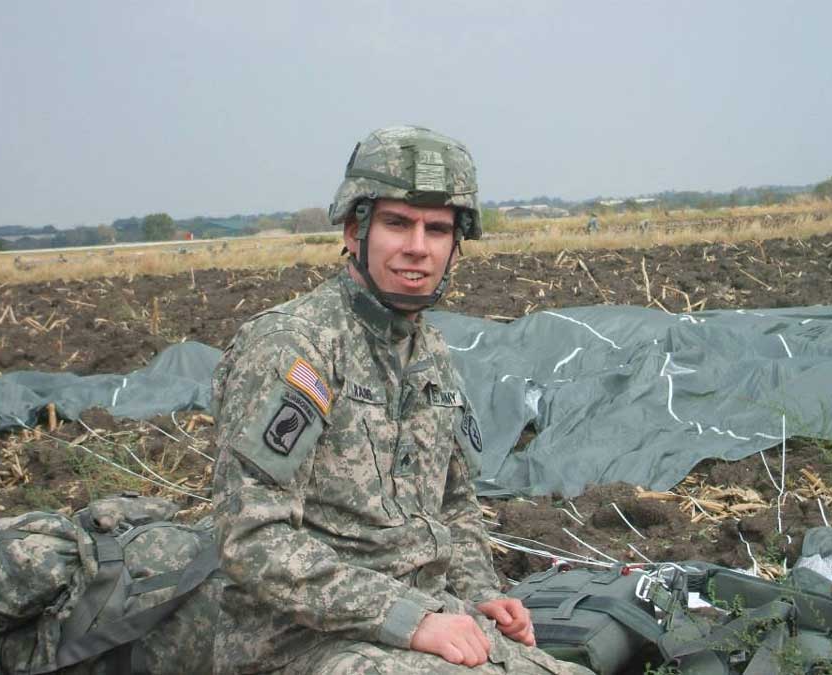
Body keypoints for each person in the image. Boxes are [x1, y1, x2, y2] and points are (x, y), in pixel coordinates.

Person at [210, 125, 590, 674]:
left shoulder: (429, 349)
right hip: (298, 641)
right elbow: (253, 538)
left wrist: (480, 592)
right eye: (397, 223)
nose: (418, 247)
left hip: (428, 619)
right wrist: (408, 616)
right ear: (352, 230)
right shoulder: (297, 348)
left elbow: (453, 500)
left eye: (437, 230)